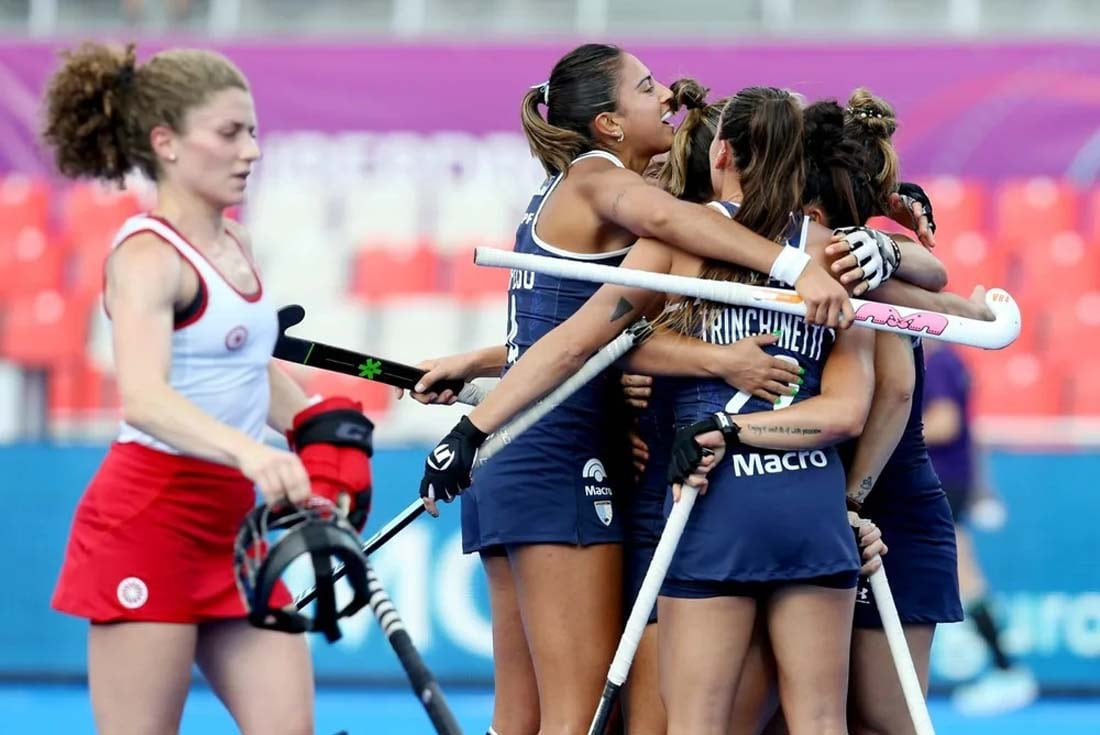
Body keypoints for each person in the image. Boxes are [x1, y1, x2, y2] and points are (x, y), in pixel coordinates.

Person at [413, 43, 856, 735]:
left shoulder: (571, 188)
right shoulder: (599, 179)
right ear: (609, 125)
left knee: (521, 715)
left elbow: (566, 334)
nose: (667, 98)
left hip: (520, 452)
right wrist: (794, 266)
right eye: (647, 88)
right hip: (556, 457)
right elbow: (676, 227)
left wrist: (479, 372)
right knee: (578, 712)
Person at [45, 42, 373, 735]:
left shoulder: (239, 245)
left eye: (253, 130)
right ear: (165, 143)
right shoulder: (145, 257)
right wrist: (253, 453)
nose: (251, 149)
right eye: (229, 132)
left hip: (232, 528)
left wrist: (321, 423)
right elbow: (145, 396)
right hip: (149, 520)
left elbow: (248, 369)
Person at [923, 340, 1038, 716]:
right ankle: (1006, 668)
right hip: (951, 480)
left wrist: (886, 428)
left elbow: (945, 423)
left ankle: (1007, 670)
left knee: (963, 575)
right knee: (964, 574)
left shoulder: (938, 362)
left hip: (939, 481)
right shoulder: (953, 360)